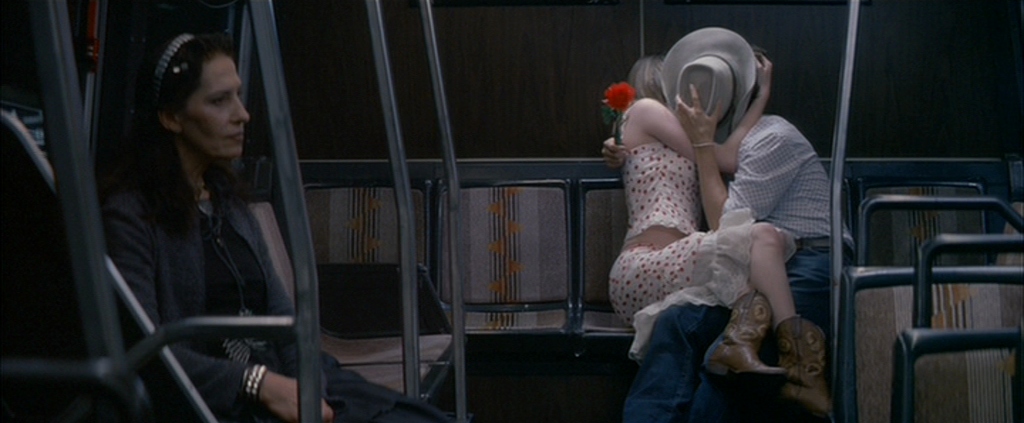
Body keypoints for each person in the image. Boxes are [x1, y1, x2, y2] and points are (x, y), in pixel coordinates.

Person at [100, 32, 453, 423]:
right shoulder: (132, 214)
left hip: (287, 381)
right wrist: (256, 383)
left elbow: (282, 311)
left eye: (238, 96)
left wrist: (307, 385)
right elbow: (145, 348)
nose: (242, 114)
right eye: (219, 101)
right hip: (225, 397)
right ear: (171, 117)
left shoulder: (228, 202)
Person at [603, 27, 834, 422]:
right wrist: (618, 145)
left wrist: (745, 111)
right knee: (680, 324)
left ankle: (799, 365)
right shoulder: (696, 140)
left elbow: (727, 222)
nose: (698, 96)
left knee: (715, 355)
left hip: (806, 260)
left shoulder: (768, 137)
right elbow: (729, 227)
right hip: (740, 260)